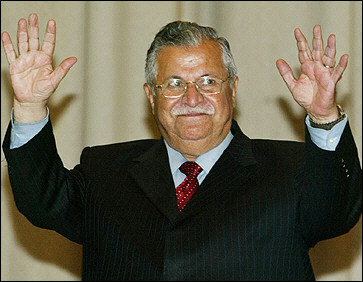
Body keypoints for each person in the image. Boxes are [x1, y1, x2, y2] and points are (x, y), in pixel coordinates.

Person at [1, 13, 361, 281]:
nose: (192, 97)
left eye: (208, 81)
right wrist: (30, 107)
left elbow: (337, 214)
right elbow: (42, 202)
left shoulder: (291, 168)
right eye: (173, 83)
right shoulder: (104, 170)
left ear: (232, 90)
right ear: (150, 96)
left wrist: (324, 115)